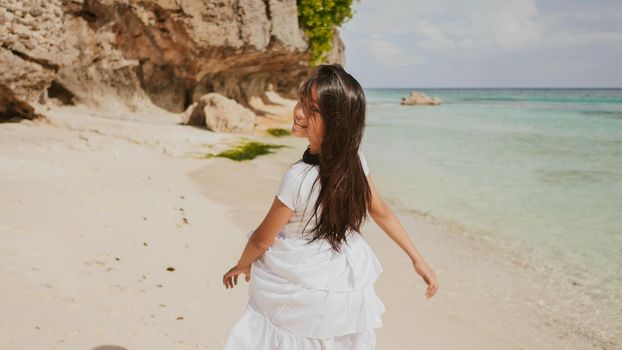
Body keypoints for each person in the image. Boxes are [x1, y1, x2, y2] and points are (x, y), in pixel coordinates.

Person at [222, 64, 438, 349]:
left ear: (336, 122)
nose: (299, 112)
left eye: (312, 110)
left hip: (300, 279)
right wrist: (416, 258)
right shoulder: (355, 160)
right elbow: (380, 210)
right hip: (343, 278)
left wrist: (242, 264)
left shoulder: (297, 177)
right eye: (301, 102)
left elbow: (263, 238)